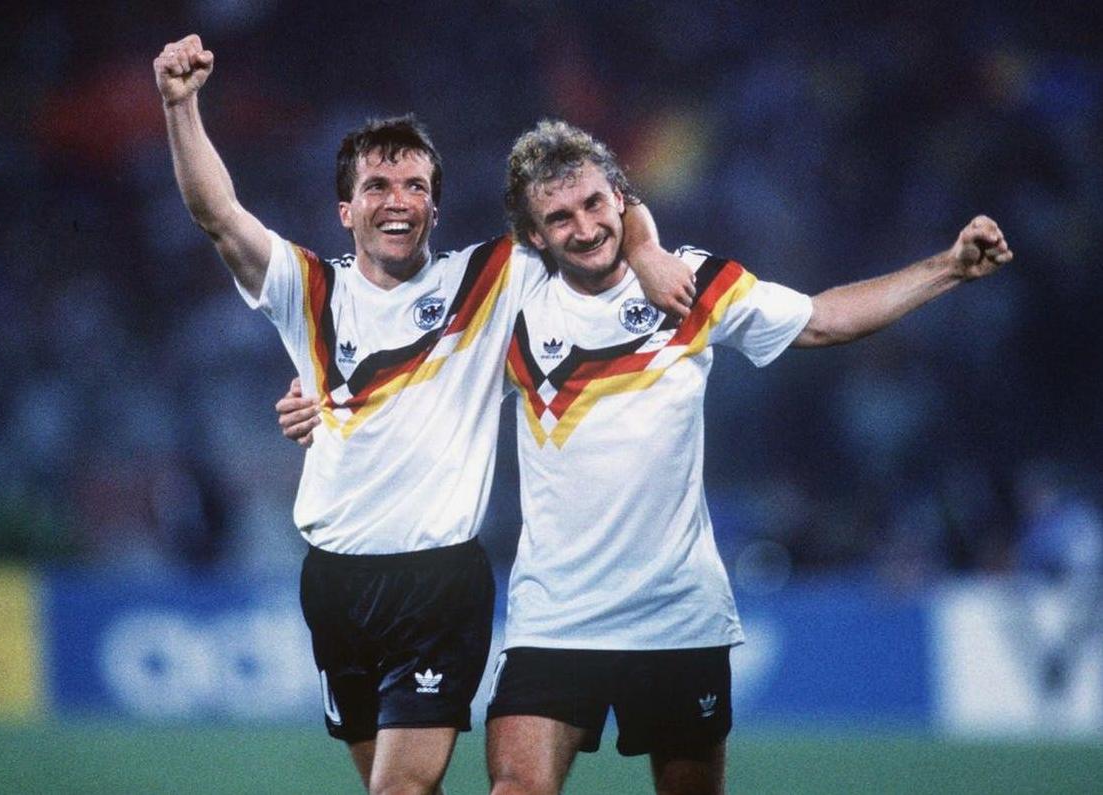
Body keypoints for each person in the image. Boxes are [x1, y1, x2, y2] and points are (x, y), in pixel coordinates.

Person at [277, 119, 1013, 794]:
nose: (584, 227)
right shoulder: (509, 311)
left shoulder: (692, 284)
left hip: (677, 613)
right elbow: (404, 381)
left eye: (596, 205)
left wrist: (947, 268)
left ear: (621, 201)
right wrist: (319, 400)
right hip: (555, 618)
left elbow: (822, 320)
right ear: (533, 236)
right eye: (559, 218)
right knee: (515, 787)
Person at [153, 35, 693, 795]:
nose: (398, 200)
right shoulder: (307, 290)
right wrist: (180, 106)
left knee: (396, 788)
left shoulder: (488, 277)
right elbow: (218, 214)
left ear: (434, 205)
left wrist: (647, 251)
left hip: (438, 582)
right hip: (333, 583)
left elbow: (597, 201)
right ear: (346, 209)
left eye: (414, 185)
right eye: (377, 185)